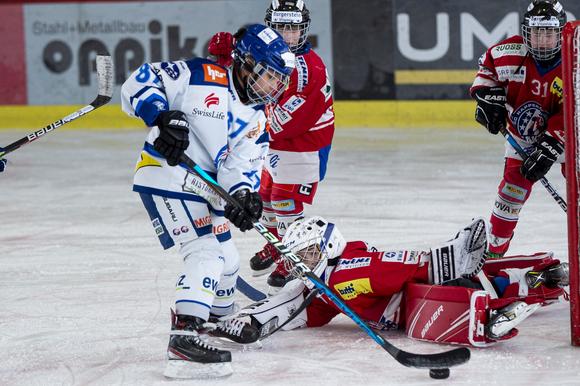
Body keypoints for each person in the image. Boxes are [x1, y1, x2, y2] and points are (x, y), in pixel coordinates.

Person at [121, 24, 295, 379]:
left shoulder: (257, 120)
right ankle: (184, 336)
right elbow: (140, 80)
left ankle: (215, 319)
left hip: (203, 187)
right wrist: (160, 115)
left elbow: (240, 167)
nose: (272, 87)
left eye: (278, 80)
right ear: (245, 64)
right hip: (166, 176)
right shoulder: (202, 75)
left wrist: (244, 195)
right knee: (207, 254)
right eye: (267, 76)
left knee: (228, 260)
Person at [224, 216, 568, 346]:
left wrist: (443, 260)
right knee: (466, 290)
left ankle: (525, 285)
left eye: (308, 253)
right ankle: (526, 284)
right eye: (298, 256)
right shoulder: (320, 282)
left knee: (465, 289)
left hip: (416, 299)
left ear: (328, 246)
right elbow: (294, 309)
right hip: (410, 309)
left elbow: (401, 265)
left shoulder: (347, 269)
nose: (301, 263)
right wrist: (252, 321)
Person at [208, 0, 335, 292]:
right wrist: (225, 58)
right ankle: (277, 245)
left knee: (284, 200)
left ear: (303, 29)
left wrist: (242, 127)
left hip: (305, 146)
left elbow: (283, 125)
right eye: (281, 28)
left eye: (293, 28)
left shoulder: (309, 71)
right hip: (277, 143)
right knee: (263, 195)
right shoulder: (266, 54)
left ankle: (296, 257)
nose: (288, 35)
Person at [470, 0, 567, 258]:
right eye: (537, 33)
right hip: (522, 136)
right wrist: (487, 99)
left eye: (549, 33)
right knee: (510, 193)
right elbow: (486, 72)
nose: (542, 40)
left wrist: (554, 141)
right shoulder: (508, 52)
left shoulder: (575, 59)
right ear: (527, 32)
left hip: (572, 136)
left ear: (561, 33)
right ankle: (494, 253)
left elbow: (575, 109)